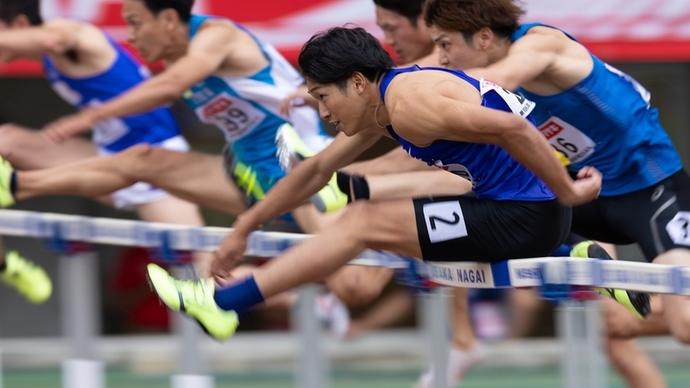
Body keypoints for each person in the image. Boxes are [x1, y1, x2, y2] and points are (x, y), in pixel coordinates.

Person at [146, 26, 603, 343]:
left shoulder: (409, 106)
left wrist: (568, 191)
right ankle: (571, 252)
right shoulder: (384, 106)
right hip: (517, 215)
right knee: (377, 214)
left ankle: (224, 303)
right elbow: (312, 170)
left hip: (524, 217)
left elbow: (517, 129)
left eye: (324, 97)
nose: (323, 114)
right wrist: (244, 228)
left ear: (358, 83)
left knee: (364, 220)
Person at [416, 1, 690, 386]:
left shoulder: (541, 45)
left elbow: (496, 80)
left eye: (445, 45)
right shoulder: (473, 56)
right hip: (586, 193)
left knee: (685, 326)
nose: (441, 58)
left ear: (482, 38)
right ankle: (472, 332)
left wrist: (408, 94)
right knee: (613, 328)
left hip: (651, 188)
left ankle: (620, 282)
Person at [0, 0, 336, 232]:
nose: (130, 37)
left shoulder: (216, 36)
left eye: (135, 23)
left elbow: (169, 88)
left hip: (298, 166)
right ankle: (14, 199)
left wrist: (92, 116)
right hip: (248, 174)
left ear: (168, 20)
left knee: (350, 284)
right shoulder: (176, 60)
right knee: (139, 162)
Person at [0, 0, 205, 300]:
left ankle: (281, 289)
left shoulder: (71, 33)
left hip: (157, 168)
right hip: (108, 160)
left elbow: (52, 38)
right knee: (6, 140)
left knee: (206, 275)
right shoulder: (47, 58)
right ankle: (7, 265)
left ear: (19, 25)